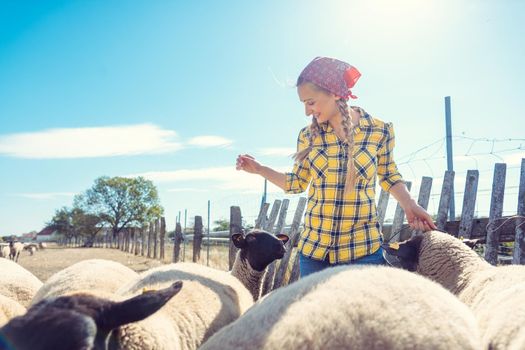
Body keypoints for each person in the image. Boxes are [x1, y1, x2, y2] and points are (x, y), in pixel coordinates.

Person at [236, 57, 437, 277]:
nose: (306, 111)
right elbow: (296, 183)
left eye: (310, 102)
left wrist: (409, 204)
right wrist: (260, 169)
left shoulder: (380, 131)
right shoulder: (307, 136)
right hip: (314, 255)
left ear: (334, 92)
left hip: (363, 253)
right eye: (303, 104)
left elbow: (389, 175)